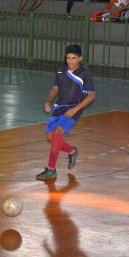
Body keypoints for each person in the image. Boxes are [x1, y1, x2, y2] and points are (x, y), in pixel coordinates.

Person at [36, 44, 95, 181]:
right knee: (50, 137)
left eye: (74, 58)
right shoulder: (61, 71)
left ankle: (51, 170)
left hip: (74, 108)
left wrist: (75, 109)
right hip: (59, 108)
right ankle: (72, 151)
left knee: (57, 134)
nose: (70, 61)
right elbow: (55, 89)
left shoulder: (84, 74)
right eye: (68, 58)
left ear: (80, 58)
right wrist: (47, 101)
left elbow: (91, 95)